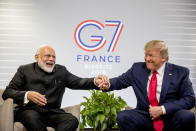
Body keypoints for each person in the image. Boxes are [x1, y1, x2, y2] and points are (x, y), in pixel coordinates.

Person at [97, 40, 196, 131]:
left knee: (186, 116)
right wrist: (107, 84)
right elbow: (119, 81)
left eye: (151, 55)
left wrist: (163, 109)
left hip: (170, 116)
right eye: (146, 55)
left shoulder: (180, 72)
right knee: (123, 117)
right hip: (145, 116)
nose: (147, 59)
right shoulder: (137, 68)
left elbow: (190, 99)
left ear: (163, 57)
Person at [2, 45, 102, 131]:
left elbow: (79, 82)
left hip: (52, 113)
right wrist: (27, 95)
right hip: (29, 111)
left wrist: (95, 81)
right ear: (37, 57)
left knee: (72, 120)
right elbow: (7, 93)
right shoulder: (24, 70)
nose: (51, 59)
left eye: (54, 57)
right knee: (31, 117)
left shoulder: (61, 71)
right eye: (47, 56)